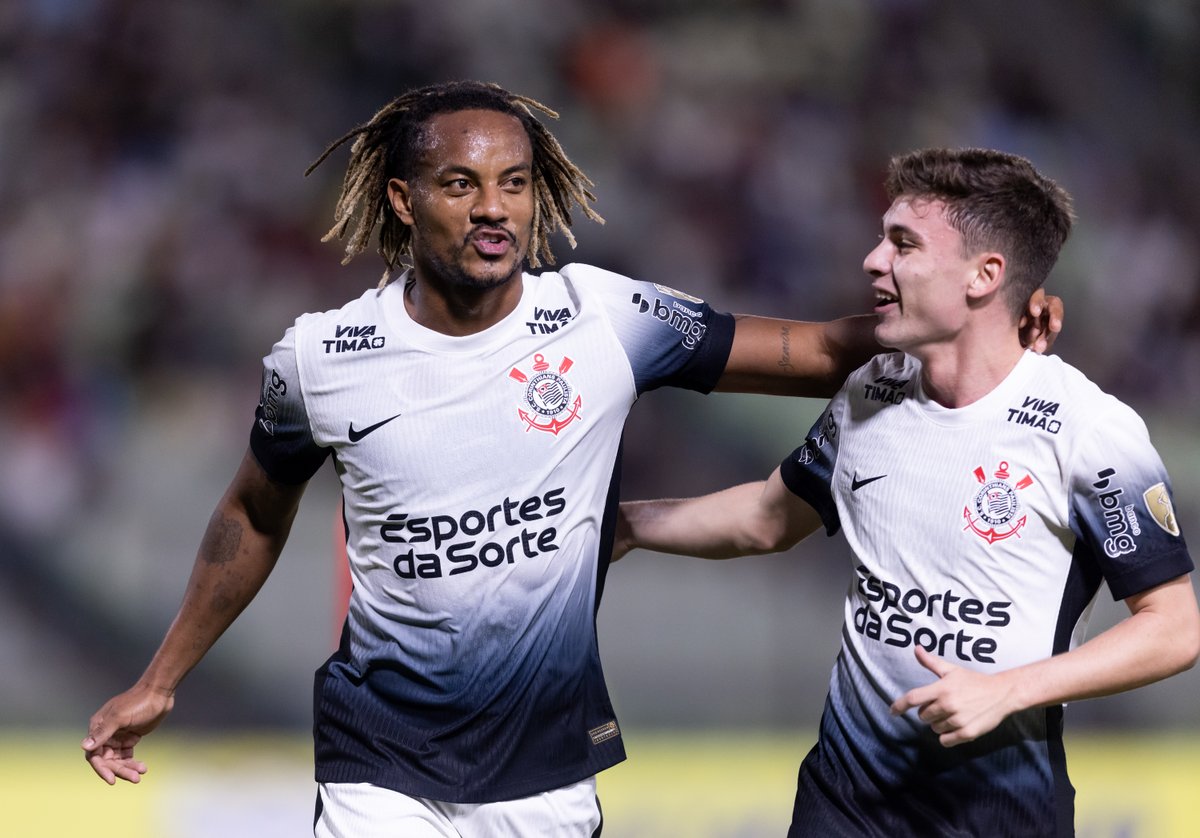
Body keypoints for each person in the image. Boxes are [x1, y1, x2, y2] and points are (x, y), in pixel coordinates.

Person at [80, 83, 1061, 837]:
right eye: (461, 184)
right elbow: (255, 511)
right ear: (403, 198)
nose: (494, 207)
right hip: (378, 766)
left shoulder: (604, 319)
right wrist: (163, 675)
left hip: (545, 775)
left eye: (513, 182)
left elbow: (805, 353)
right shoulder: (321, 357)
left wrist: (971, 322)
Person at [616, 147, 1200, 836]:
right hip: (844, 805)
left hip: (998, 812)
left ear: (985, 275)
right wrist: (627, 525)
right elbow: (767, 519)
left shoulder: (1088, 431)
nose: (873, 260)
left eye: (903, 244)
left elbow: (1173, 628)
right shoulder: (873, 390)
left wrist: (1010, 690)